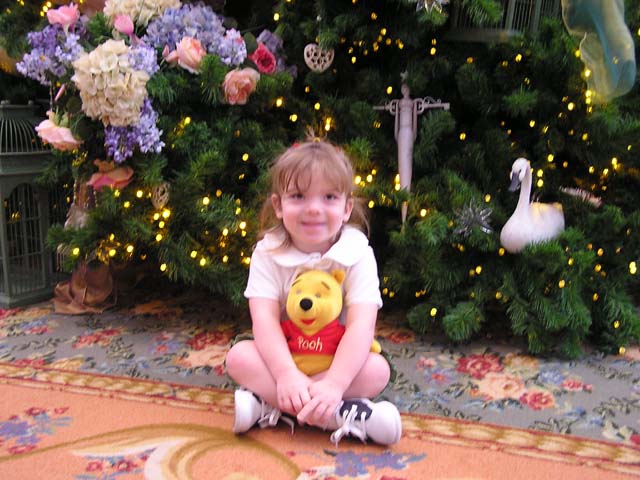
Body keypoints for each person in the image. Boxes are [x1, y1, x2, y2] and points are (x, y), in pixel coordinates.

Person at [225, 138, 402, 446]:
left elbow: (361, 326)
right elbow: (264, 320)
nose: (314, 209)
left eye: (329, 197)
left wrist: (334, 384)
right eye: (298, 196)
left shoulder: (358, 253)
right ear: (278, 206)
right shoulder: (267, 252)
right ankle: (343, 415)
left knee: (378, 371)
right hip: (285, 354)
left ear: (347, 208)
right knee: (238, 357)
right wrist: (286, 375)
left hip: (336, 358)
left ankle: (270, 404)